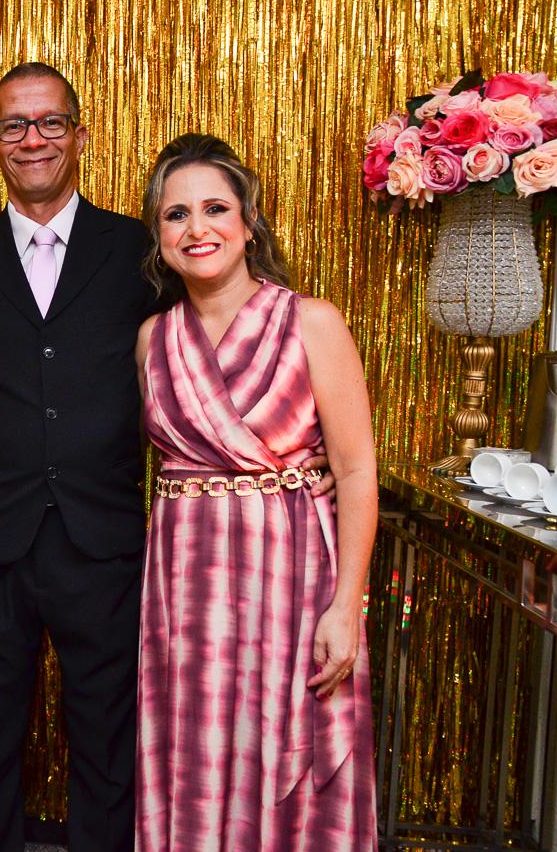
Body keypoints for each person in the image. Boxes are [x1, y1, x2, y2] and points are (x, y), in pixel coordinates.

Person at [0, 64, 333, 852]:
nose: (33, 139)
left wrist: (282, 440)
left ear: (80, 133)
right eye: (14, 125)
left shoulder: (141, 247)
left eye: (50, 122)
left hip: (105, 536)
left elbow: (201, 346)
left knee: (106, 733)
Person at [134, 133, 377, 850]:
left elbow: (355, 470)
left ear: (248, 222)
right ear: (160, 238)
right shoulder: (152, 339)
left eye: (215, 208)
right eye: (176, 214)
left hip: (291, 575)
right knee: (196, 746)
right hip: (185, 583)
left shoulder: (312, 321)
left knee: (287, 735)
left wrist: (346, 606)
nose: (197, 228)